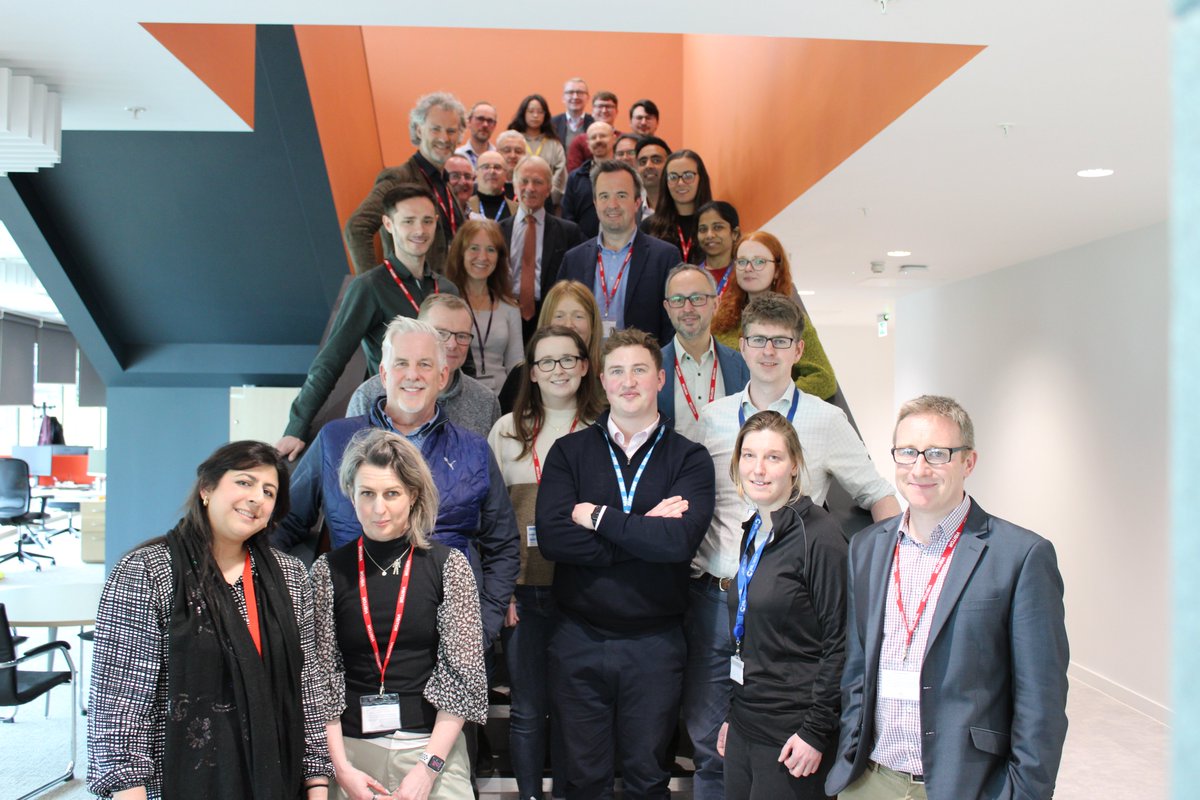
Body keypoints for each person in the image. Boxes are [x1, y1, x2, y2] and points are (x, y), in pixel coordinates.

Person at [690, 294, 898, 800]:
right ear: (742, 345)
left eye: (779, 341)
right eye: (757, 339)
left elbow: (879, 496)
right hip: (719, 598)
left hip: (790, 612)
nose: (766, 351)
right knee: (710, 741)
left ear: (798, 349)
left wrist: (889, 580)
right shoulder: (712, 418)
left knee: (780, 757)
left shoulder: (825, 420)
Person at [827, 395, 1070, 800]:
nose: (919, 468)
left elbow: (1041, 703)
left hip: (965, 786)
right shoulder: (866, 548)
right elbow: (857, 669)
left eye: (937, 454)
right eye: (907, 452)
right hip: (871, 779)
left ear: (968, 462)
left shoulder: (1020, 556)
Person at [87, 441, 333, 799]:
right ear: (207, 489)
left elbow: (307, 687)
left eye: (269, 492)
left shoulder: (291, 577)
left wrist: (317, 783)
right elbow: (119, 706)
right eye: (245, 483)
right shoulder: (147, 571)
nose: (257, 498)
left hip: (275, 781)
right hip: (173, 783)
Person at [536, 327, 716, 800]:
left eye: (639, 370)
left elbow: (678, 544)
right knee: (583, 780)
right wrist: (642, 530)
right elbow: (555, 540)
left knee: (647, 778)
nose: (628, 381)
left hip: (654, 644)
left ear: (660, 378)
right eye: (617, 371)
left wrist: (599, 518)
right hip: (578, 639)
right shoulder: (569, 453)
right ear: (602, 380)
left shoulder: (690, 459)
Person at [274, 316, 518, 651]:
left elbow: (503, 545)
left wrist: (484, 627)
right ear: (384, 374)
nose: (413, 375)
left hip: (452, 640)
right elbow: (284, 523)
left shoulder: (474, 450)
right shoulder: (335, 440)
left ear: (443, 376)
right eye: (401, 363)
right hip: (354, 635)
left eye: (425, 364)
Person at [312, 429, 487, 800]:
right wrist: (340, 770)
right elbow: (319, 679)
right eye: (367, 494)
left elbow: (463, 676)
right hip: (351, 756)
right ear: (351, 495)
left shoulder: (448, 566)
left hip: (431, 751)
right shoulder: (327, 571)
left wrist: (427, 771)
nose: (379, 509)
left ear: (413, 495)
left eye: (392, 494)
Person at [487, 326, 605, 800]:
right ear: (531, 373)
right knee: (529, 708)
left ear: (583, 367)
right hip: (524, 591)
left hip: (583, 591)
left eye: (567, 360)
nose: (557, 370)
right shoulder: (506, 429)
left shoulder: (602, 427)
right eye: (546, 362)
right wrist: (504, 590)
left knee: (576, 706)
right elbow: (490, 519)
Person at [714, 411, 848, 800]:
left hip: (794, 734)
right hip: (746, 722)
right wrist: (731, 715)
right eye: (749, 455)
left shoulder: (820, 538)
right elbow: (752, 638)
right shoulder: (755, 528)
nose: (758, 468)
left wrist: (815, 732)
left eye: (773, 457)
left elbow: (840, 644)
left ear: (794, 466)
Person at [277, 184, 457, 461]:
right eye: (408, 221)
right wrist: (296, 427)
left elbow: (461, 360)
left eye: (427, 220)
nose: (420, 230)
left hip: (443, 420)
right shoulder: (370, 287)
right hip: (391, 422)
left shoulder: (445, 289)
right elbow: (331, 361)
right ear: (388, 223)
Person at [344, 91, 466, 276]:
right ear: (419, 130)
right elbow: (357, 227)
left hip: (446, 296)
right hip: (409, 295)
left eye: (451, 131)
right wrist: (373, 288)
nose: (444, 138)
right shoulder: (398, 178)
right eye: (435, 129)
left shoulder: (446, 186)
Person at [558, 160, 680, 344]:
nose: (612, 204)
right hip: (585, 368)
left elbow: (673, 327)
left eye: (621, 195)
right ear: (595, 202)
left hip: (642, 367)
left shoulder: (665, 258)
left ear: (637, 202)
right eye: (604, 196)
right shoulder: (573, 259)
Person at [344, 295, 501, 437]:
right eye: (440, 333)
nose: (452, 344)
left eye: (462, 336)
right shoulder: (367, 396)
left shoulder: (486, 402)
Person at [712, 230, 838, 400]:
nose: (748, 268)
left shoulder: (793, 319)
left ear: (777, 270)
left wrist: (774, 401)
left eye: (759, 262)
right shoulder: (720, 320)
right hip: (729, 417)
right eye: (742, 262)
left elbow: (824, 379)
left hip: (775, 421)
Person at [658, 263, 749, 442]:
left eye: (697, 298)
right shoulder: (651, 367)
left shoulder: (742, 366)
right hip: (673, 469)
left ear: (716, 304)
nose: (687, 309)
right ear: (668, 308)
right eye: (678, 300)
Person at [500, 155, 585, 341]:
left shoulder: (568, 232)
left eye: (537, 182)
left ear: (549, 189)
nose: (530, 188)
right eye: (524, 181)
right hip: (507, 315)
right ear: (514, 185)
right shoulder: (498, 230)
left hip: (551, 317)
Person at [497, 279, 604, 415]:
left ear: (593, 324)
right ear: (547, 322)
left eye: (578, 316)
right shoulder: (521, 376)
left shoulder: (608, 378)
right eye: (559, 316)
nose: (569, 324)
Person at [444, 220, 523, 394]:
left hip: (503, 399)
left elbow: (516, 365)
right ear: (460, 253)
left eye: (491, 250)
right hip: (457, 394)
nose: (482, 257)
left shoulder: (510, 307)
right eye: (474, 248)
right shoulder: (446, 305)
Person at [641, 149, 712, 265]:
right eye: (673, 177)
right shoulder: (649, 226)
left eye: (688, 176)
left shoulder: (715, 224)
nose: (680, 183)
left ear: (701, 179)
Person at [507, 94, 567, 206]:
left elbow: (560, 175)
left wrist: (546, 196)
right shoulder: (513, 140)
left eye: (540, 112)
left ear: (546, 115)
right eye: (531, 111)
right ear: (523, 113)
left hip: (548, 202)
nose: (535, 115)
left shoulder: (554, 144)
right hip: (514, 201)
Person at [561, 120, 615, 240]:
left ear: (613, 138)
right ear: (588, 143)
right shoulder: (575, 178)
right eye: (593, 137)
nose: (598, 140)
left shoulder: (625, 175)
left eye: (603, 136)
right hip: (583, 247)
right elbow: (567, 216)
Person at [696, 200, 741, 297]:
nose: (709, 235)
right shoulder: (692, 276)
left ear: (735, 233)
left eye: (717, 227)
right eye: (703, 229)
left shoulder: (745, 274)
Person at [566, 91, 619, 172]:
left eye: (609, 106)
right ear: (592, 111)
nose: (604, 110)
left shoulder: (623, 139)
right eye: (600, 106)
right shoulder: (579, 141)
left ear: (616, 111)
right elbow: (574, 173)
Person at [467, 150, 516, 222]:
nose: (492, 171)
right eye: (486, 167)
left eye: (497, 167)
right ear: (476, 173)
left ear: (506, 174)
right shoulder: (465, 208)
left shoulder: (517, 210)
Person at [551, 78, 593, 149]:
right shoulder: (552, 124)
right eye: (570, 92)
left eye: (580, 92)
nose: (575, 97)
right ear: (563, 98)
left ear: (588, 97)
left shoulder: (594, 122)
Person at [635, 136, 671, 217]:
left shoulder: (683, 210)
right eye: (643, 162)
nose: (648, 166)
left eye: (656, 160)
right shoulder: (632, 215)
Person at [456, 100, 498, 167]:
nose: (485, 125)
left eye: (490, 121)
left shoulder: (498, 157)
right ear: (469, 122)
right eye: (480, 119)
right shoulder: (457, 156)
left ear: (494, 126)